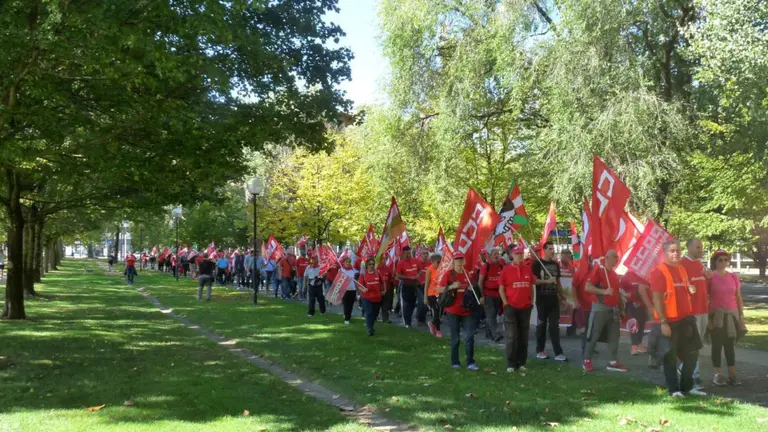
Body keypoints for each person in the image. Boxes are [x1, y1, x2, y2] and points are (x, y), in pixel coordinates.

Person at [650, 240, 706, 398]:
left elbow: (684, 288)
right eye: (672, 251)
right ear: (665, 253)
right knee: (669, 356)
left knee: (692, 353)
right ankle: (674, 390)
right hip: (668, 322)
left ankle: (687, 387)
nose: (676, 253)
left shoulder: (681, 269)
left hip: (685, 320)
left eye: (678, 250)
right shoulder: (658, 271)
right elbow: (657, 299)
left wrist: (690, 288)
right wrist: (663, 322)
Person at [583, 249, 628, 372]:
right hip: (600, 308)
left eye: (617, 257)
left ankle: (612, 361)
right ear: (607, 258)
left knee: (614, 336)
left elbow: (617, 293)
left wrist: (622, 309)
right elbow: (587, 287)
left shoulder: (613, 274)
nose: (617, 259)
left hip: (613, 309)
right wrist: (603, 292)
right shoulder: (599, 270)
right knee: (594, 334)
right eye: (614, 256)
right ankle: (587, 360)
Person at [439, 253, 482, 370]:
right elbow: (439, 288)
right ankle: (455, 362)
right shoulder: (449, 274)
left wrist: (475, 293)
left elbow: (474, 289)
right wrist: (451, 286)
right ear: (453, 262)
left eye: (460, 259)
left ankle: (470, 362)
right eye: (456, 259)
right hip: (452, 310)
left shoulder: (468, 274)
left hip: (467, 311)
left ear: (464, 261)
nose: (459, 261)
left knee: (469, 336)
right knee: (455, 337)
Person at [709, 249, 745, 386]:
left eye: (725, 260)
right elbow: (705, 297)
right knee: (717, 345)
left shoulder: (733, 277)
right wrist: (709, 319)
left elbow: (738, 297)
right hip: (716, 315)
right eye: (720, 260)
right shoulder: (710, 276)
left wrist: (741, 316)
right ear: (715, 262)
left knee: (730, 346)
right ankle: (718, 375)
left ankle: (732, 375)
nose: (723, 263)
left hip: (732, 315)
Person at [499, 245, 535, 373]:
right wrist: (505, 303)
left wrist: (532, 302)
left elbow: (532, 286)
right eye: (517, 253)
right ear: (512, 255)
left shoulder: (528, 270)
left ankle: (521, 363)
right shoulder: (506, 270)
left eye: (521, 253)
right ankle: (510, 363)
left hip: (525, 307)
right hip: (511, 307)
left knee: (524, 336)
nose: (519, 255)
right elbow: (501, 288)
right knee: (511, 336)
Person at [681, 239, 710, 389]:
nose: (701, 250)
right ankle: (693, 376)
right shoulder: (682, 264)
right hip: (691, 312)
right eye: (698, 247)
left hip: (703, 310)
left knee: (697, 346)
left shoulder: (700, 264)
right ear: (689, 247)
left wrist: (708, 278)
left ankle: (687, 371)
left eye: (701, 247)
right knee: (692, 345)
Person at [531, 241, 567, 361]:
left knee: (554, 326)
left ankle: (558, 352)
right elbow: (534, 281)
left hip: (553, 299)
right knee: (541, 325)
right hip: (542, 299)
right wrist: (547, 281)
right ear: (544, 250)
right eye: (550, 249)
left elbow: (558, 282)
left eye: (553, 249)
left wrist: (562, 296)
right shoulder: (537, 263)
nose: (552, 251)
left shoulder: (556, 265)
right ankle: (540, 350)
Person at [620, 271, 651, 356]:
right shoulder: (627, 275)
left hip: (643, 304)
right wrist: (624, 294)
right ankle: (634, 347)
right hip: (632, 305)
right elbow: (620, 288)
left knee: (641, 325)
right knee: (635, 325)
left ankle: (639, 344)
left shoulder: (644, 274)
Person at [479, 248, 505, 342]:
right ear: (489, 255)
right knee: (491, 314)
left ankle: (488, 333)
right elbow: (480, 282)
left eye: (498, 253)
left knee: (493, 315)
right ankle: (496, 334)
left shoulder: (501, 265)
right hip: (488, 294)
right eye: (494, 253)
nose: (496, 255)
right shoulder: (486, 266)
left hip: (498, 294)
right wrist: (481, 296)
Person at [396, 246, 422, 328]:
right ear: (403, 254)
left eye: (409, 253)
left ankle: (409, 319)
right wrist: (409, 277)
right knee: (405, 304)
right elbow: (398, 275)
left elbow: (420, 270)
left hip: (414, 285)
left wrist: (418, 275)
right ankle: (406, 322)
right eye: (407, 253)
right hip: (405, 285)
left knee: (412, 303)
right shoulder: (401, 263)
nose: (409, 255)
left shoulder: (415, 260)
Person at [359, 257, 386, 336]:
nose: (371, 265)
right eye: (370, 264)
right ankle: (369, 329)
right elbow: (360, 285)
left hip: (377, 297)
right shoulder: (363, 274)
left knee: (375, 314)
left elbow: (383, 282)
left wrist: (384, 290)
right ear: (367, 265)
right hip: (366, 297)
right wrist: (363, 289)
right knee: (369, 313)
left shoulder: (377, 272)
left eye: (373, 264)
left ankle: (371, 326)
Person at [424, 253, 443, 338]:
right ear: (433, 262)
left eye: (441, 262)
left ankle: (432, 323)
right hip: (431, 294)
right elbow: (427, 284)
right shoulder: (429, 270)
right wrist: (425, 297)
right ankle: (438, 331)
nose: (439, 264)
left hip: (440, 293)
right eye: (438, 262)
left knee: (439, 312)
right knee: (436, 311)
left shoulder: (442, 269)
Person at [339, 256, 358, 325]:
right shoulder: (341, 270)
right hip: (344, 290)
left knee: (350, 305)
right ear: (343, 263)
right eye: (346, 262)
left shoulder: (353, 270)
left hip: (352, 290)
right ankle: (347, 319)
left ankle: (347, 315)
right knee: (346, 304)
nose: (348, 263)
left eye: (349, 262)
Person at [416, 249, 431, 325]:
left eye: (427, 253)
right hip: (418, 286)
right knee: (422, 302)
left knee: (425, 302)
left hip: (427, 286)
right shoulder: (417, 263)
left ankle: (423, 319)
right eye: (424, 253)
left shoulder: (429, 263)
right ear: (420, 254)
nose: (425, 255)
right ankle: (419, 319)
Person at [378, 259, 394, 324]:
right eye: (382, 259)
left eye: (385, 259)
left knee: (386, 305)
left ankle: (385, 318)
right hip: (378, 290)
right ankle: (375, 317)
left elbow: (391, 278)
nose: (384, 261)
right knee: (377, 305)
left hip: (387, 290)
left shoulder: (388, 268)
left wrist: (393, 278)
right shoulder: (376, 268)